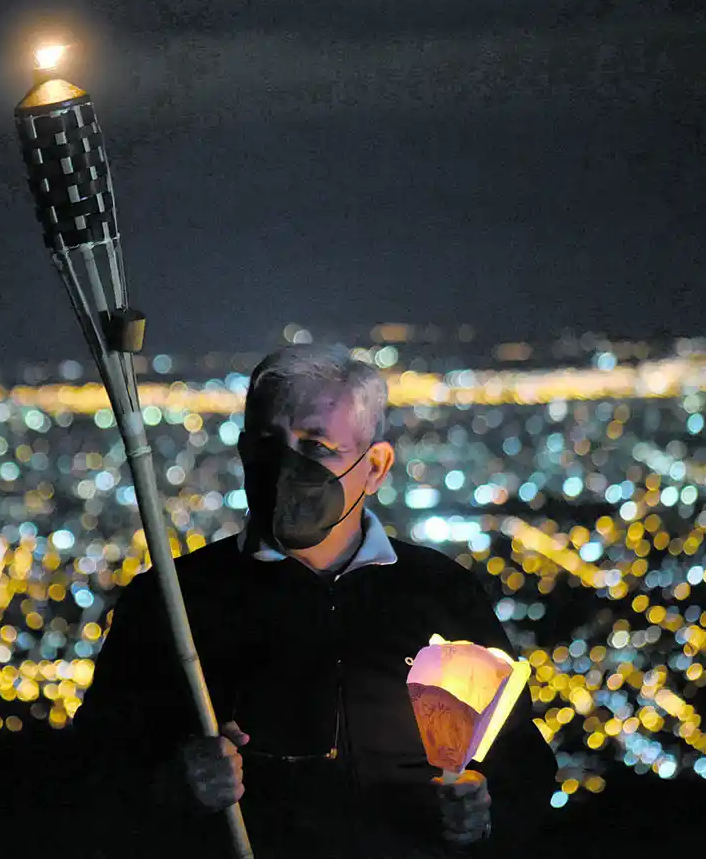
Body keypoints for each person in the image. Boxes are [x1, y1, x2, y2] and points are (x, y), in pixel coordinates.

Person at [70, 344, 552, 857]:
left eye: (317, 448)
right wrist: (173, 783)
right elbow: (93, 772)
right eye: (266, 442)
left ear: (375, 467)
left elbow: (522, 760)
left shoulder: (440, 593)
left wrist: (485, 809)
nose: (284, 468)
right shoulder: (173, 600)